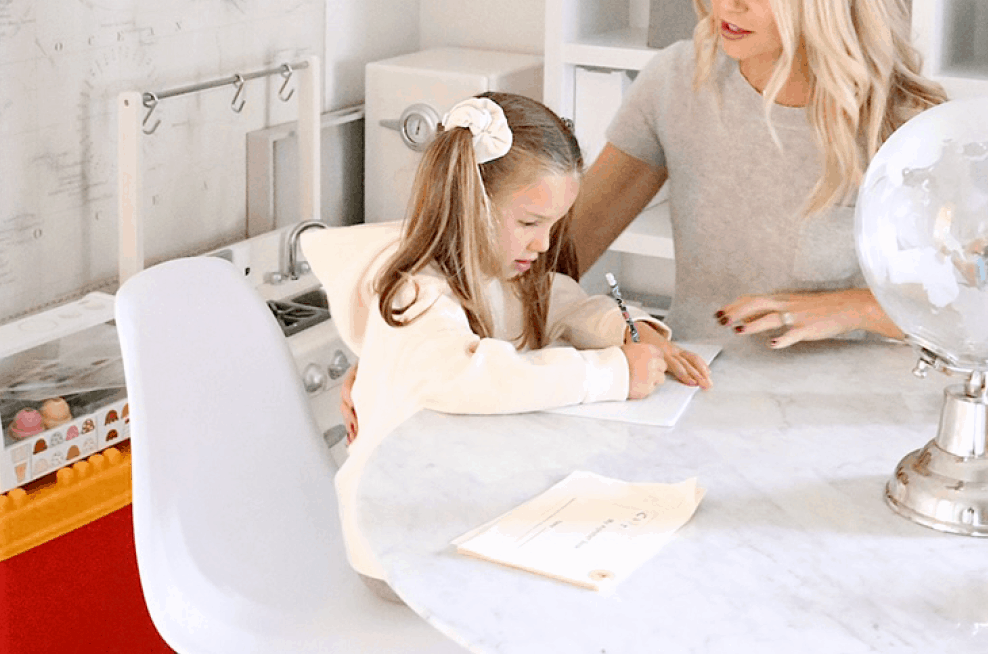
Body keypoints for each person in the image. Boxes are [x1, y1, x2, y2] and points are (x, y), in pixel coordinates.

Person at [301, 92, 711, 595]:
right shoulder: (416, 291)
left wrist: (632, 330)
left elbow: (567, 303)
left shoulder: (507, 272)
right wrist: (611, 374)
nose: (543, 245)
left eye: (553, 226)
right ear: (470, 205)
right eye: (530, 224)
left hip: (464, 507)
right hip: (402, 545)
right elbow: (466, 377)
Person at [571, 0, 946, 349]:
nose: (728, 4)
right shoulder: (677, 83)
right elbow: (562, 252)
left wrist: (852, 308)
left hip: (850, 408)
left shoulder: (900, 122)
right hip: (698, 391)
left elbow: (965, 305)